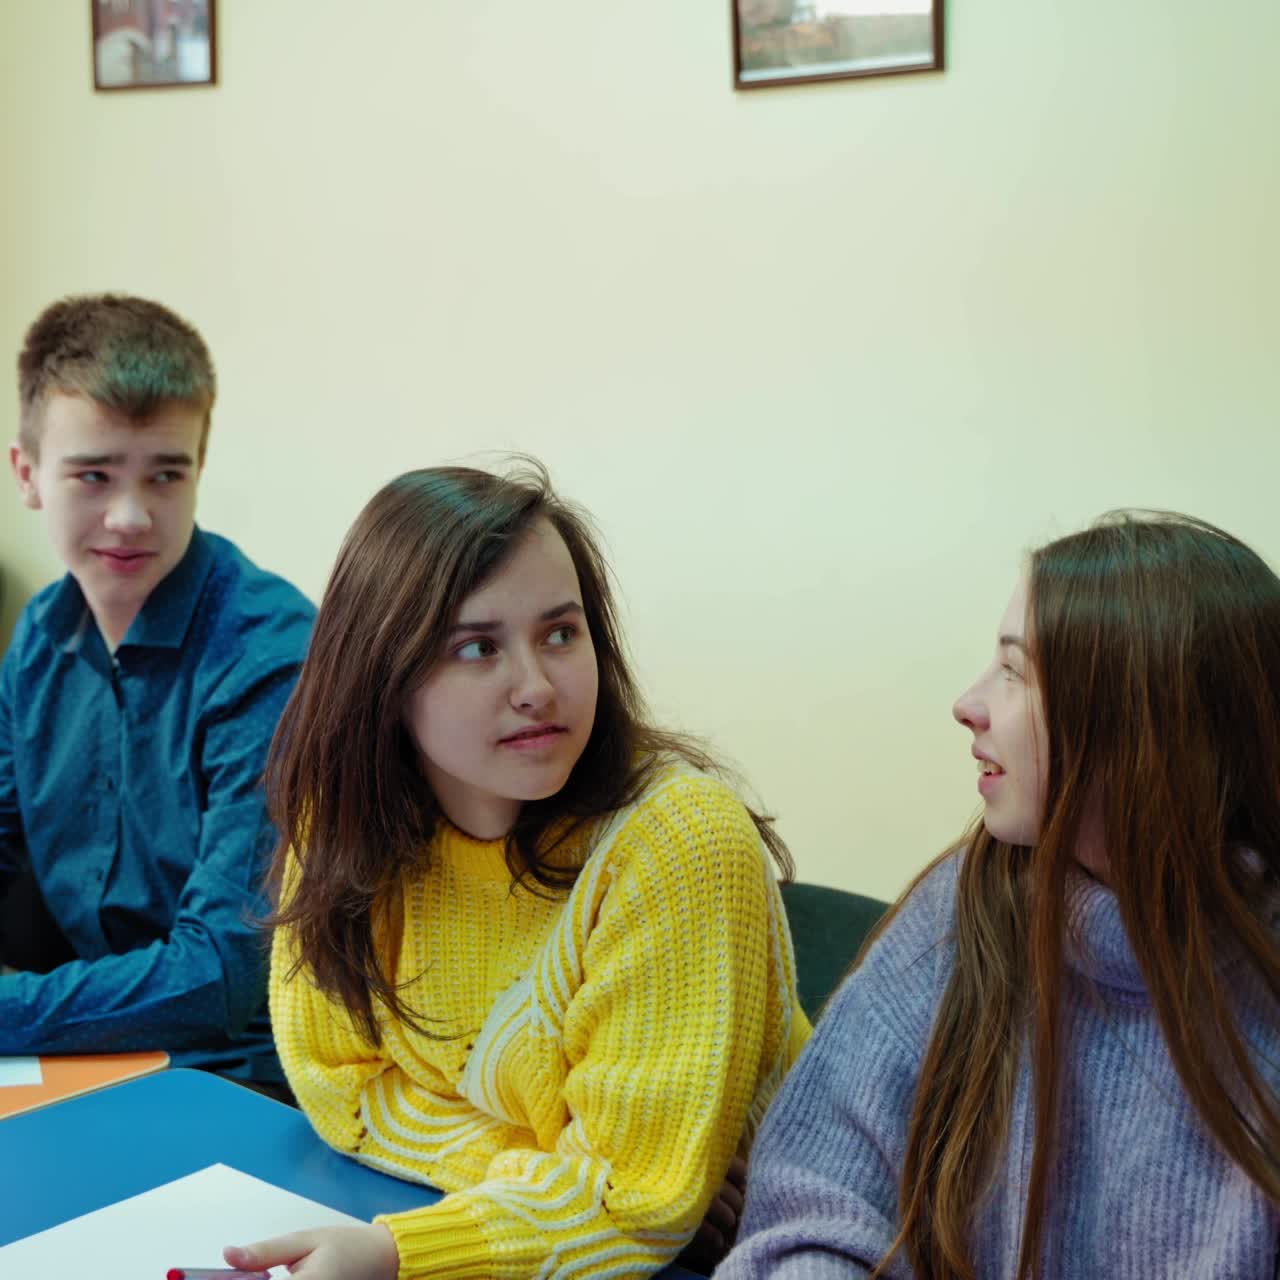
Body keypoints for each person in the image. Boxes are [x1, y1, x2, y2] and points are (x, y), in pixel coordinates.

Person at [222, 462, 810, 1279]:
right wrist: (546, 1163)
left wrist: (399, 1253)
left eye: (561, 634)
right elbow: (336, 1083)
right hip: (541, 1233)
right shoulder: (345, 816)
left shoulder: (677, 840)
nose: (537, 686)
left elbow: (632, 1210)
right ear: (384, 677)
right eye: (478, 647)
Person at [716, 512, 1280, 1278]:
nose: (968, 704)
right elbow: (808, 1216)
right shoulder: (966, 909)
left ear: (1141, 725)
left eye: (1016, 673)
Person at [0, 293, 315, 1095]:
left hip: (247, 1073)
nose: (131, 515)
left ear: (199, 470)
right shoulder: (42, 632)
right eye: (94, 475)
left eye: (165, 474)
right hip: (90, 1050)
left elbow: (218, 974)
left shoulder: (269, 654)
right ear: (28, 474)